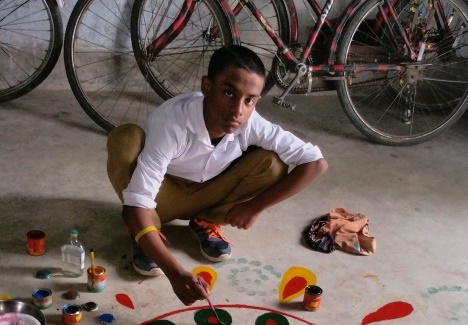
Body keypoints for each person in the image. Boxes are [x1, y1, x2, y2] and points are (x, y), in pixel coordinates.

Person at [107, 45, 328, 306]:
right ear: (207, 86)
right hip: (161, 199)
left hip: (209, 194)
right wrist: (175, 273)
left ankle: (205, 221)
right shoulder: (172, 122)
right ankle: (147, 235)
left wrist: (254, 207)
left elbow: (316, 163)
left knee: (273, 164)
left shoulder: (251, 122)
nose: (238, 110)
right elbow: (134, 208)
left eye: (249, 100)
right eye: (228, 93)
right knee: (126, 138)